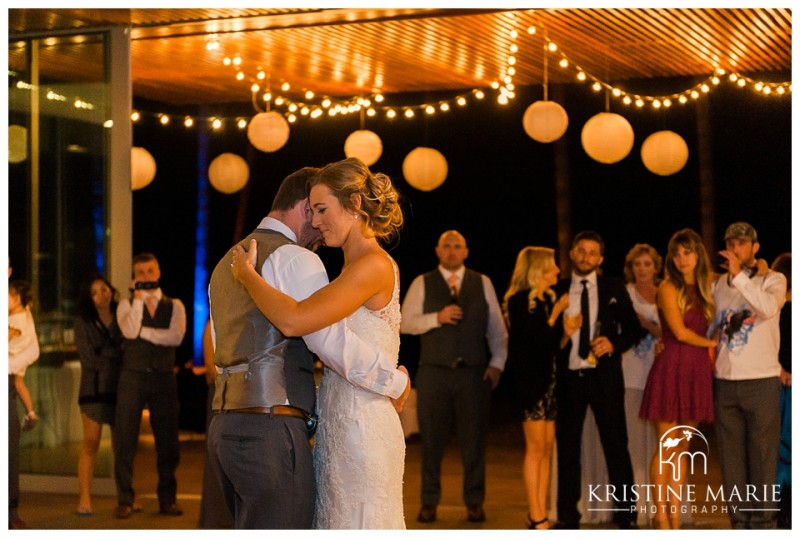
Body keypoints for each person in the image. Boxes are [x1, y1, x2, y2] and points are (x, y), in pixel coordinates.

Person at [219, 159, 410, 529]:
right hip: (338, 422)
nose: (316, 221)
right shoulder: (350, 268)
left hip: (363, 425)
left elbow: (295, 320)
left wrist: (248, 276)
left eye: (322, 209)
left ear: (354, 203)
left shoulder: (372, 265)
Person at [399, 230, 508, 524]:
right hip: (433, 372)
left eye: (457, 246)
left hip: (473, 374)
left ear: (466, 251)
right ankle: (428, 501)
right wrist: (436, 317)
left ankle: (474, 501)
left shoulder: (482, 282)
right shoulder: (422, 282)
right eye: (446, 246)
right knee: (431, 441)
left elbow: (496, 329)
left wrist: (497, 363)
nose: (451, 251)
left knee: (474, 441)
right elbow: (404, 323)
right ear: (437, 251)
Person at [551, 230, 641, 530]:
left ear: (600, 259)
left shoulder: (613, 287)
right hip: (569, 379)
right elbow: (547, 336)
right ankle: (567, 517)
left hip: (605, 378)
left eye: (592, 252)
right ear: (572, 254)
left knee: (616, 446)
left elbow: (633, 329)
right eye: (581, 251)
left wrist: (613, 344)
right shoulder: (558, 289)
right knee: (568, 448)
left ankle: (626, 516)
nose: (586, 257)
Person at [639, 229, 717, 528]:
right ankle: (661, 515)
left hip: (697, 369)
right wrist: (713, 344)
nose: (682, 259)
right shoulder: (668, 287)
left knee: (683, 446)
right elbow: (680, 332)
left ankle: (675, 513)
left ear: (698, 254)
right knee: (667, 446)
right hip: (672, 366)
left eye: (688, 252)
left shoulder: (707, 286)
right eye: (677, 254)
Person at [711, 222, 786, 529]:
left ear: (755, 247)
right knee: (730, 459)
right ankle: (739, 522)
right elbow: (711, 325)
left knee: (763, 456)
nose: (735, 248)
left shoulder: (773, 279)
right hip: (725, 381)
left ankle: (764, 522)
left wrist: (740, 276)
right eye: (730, 243)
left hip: (761, 380)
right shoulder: (718, 285)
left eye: (741, 243)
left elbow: (767, 308)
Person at [502, 246, 574, 530]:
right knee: (534, 449)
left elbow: (553, 346)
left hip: (551, 383)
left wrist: (566, 333)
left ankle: (541, 511)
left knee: (546, 448)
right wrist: (556, 315)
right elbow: (534, 341)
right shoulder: (520, 301)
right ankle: (536, 515)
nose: (557, 270)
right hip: (530, 385)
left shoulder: (547, 299)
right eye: (552, 265)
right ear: (538, 270)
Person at [114, 252, 186, 519]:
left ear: (158, 273)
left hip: (163, 377)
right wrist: (138, 300)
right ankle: (125, 498)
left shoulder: (175, 305)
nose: (146, 277)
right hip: (132, 377)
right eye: (140, 273)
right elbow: (129, 331)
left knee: (168, 441)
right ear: (134, 277)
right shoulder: (126, 304)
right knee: (125, 439)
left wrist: (144, 332)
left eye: (150, 271)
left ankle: (168, 499)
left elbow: (175, 337)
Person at [74, 275, 124, 517]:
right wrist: (114, 354)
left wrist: (106, 352)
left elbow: (128, 352)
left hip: (120, 388)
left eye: (104, 289)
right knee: (91, 442)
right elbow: (88, 359)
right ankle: (84, 497)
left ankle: (126, 497)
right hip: (92, 389)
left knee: (121, 445)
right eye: (94, 292)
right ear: (89, 298)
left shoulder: (122, 315)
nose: (101, 295)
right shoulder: (83, 321)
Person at [620, 243, 663, 524]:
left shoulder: (665, 293)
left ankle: (661, 506)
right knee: (633, 442)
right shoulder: (625, 294)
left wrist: (647, 325)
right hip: (631, 373)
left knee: (663, 443)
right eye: (637, 264)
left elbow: (673, 332)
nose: (642, 269)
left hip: (660, 374)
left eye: (647, 264)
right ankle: (635, 505)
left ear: (656, 267)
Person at [8, 279, 40, 530]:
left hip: (8, 376)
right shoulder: (24, 315)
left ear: (17, 298)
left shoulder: (17, 320)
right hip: (11, 376)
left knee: (9, 451)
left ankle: (11, 511)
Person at [196, 319, 233, 529]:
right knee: (216, 461)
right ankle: (215, 522)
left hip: (242, 400)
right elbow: (211, 366)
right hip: (221, 399)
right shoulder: (212, 326)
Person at [771, 252, 791, 529]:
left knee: (781, 449)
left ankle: (781, 510)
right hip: (785, 385)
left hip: (779, 382)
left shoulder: (776, 310)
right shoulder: (780, 309)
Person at [8, 280, 39, 431]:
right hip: (23, 354)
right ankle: (30, 412)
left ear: (17, 299)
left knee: (16, 383)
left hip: (15, 357)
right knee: (19, 383)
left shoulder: (16, 320)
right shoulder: (25, 312)